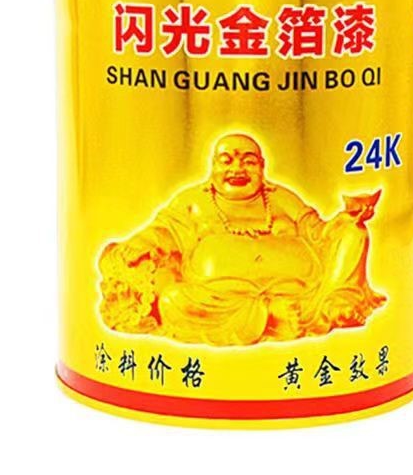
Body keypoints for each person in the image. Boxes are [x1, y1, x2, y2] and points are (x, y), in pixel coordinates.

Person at [98, 133, 385, 345]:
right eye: (227, 161)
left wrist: (345, 220)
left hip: (301, 293)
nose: (237, 169)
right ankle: (270, 316)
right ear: (213, 167)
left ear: (262, 167)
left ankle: (334, 303)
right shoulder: (193, 201)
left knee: (354, 233)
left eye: (248, 162)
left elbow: (318, 233)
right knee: (173, 301)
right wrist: (141, 242)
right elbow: (165, 231)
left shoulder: (282, 199)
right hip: (219, 301)